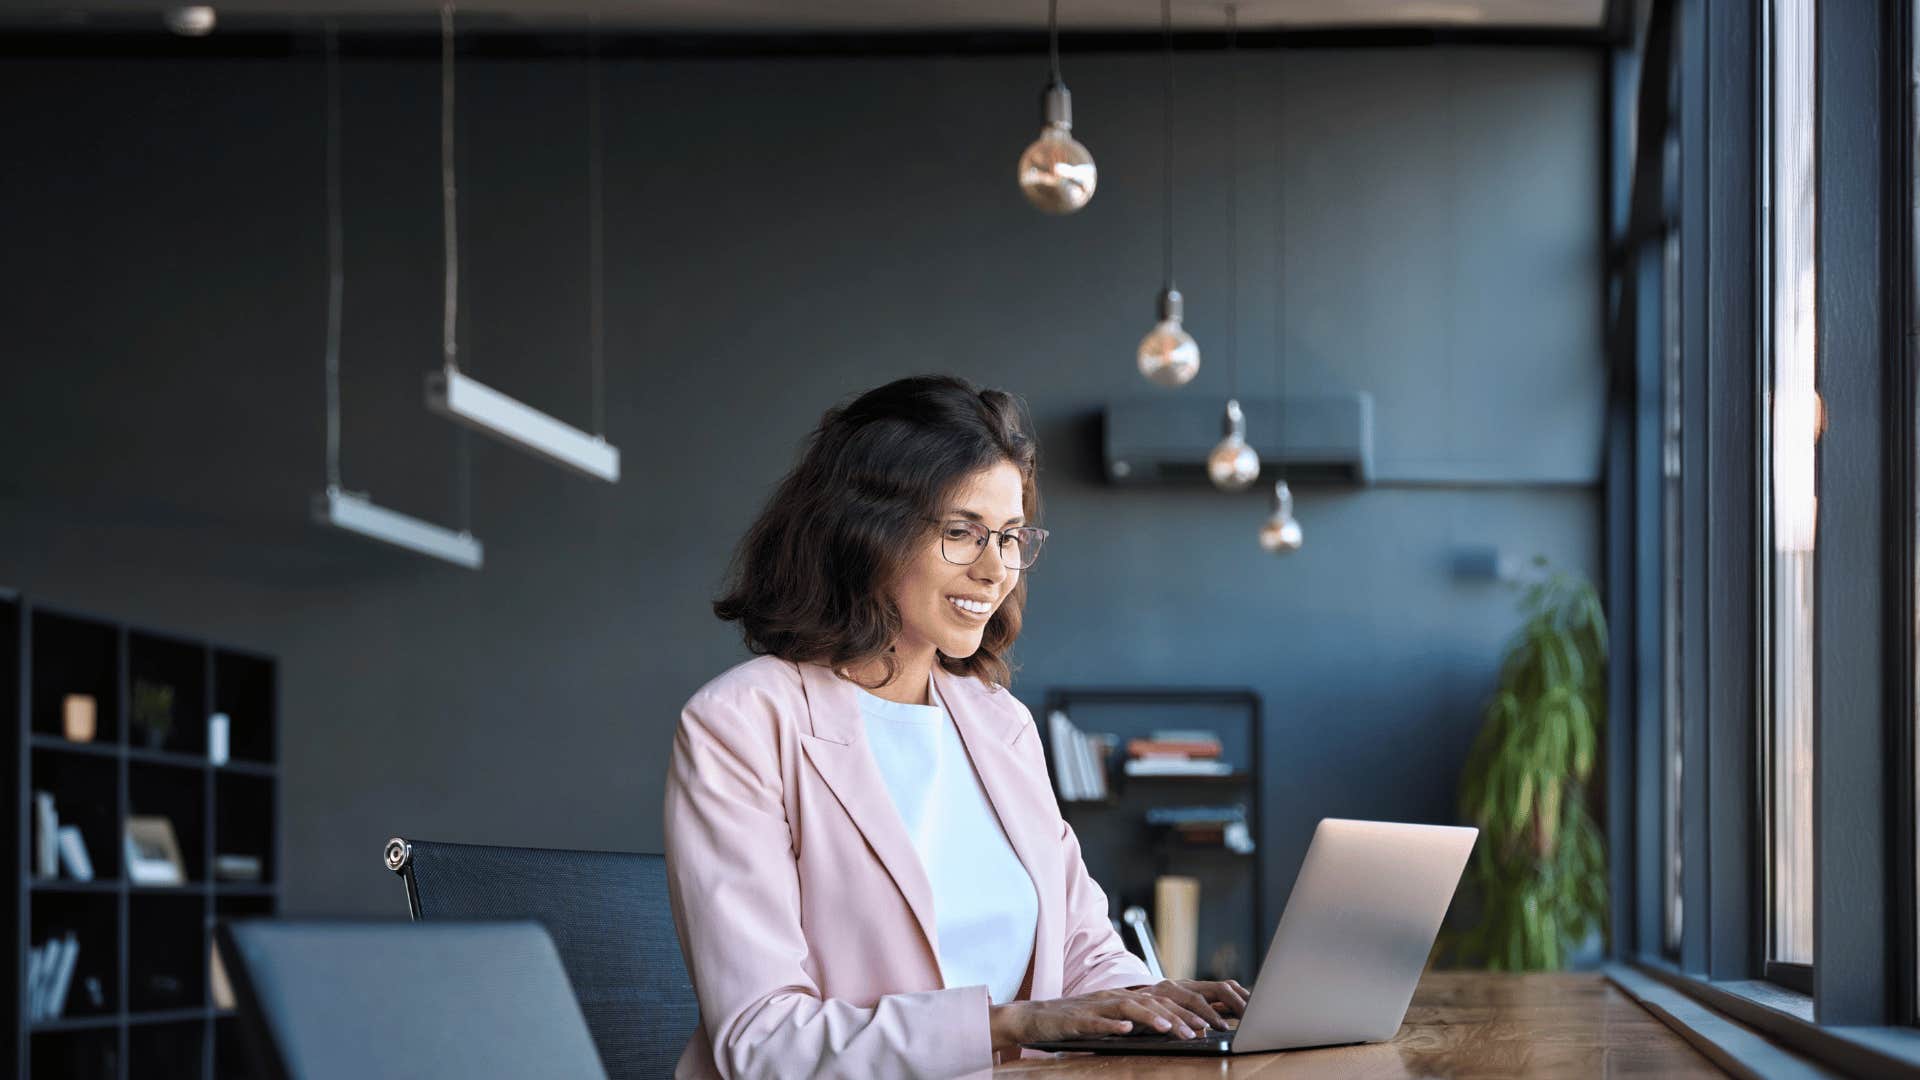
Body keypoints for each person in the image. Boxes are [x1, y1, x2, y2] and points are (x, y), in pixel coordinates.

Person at [664, 375, 1248, 1078]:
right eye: (961, 533)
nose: (995, 569)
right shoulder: (742, 724)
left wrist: (1155, 1005)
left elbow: (1081, 946)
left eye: (1008, 536)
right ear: (865, 533)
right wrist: (1009, 1024)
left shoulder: (998, 723)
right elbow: (762, 1041)